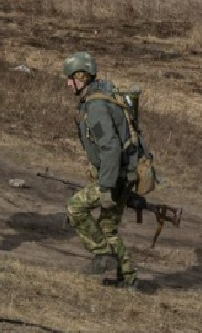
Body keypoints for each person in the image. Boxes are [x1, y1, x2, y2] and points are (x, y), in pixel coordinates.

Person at [62, 51, 139, 290]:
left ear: (81, 76)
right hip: (124, 174)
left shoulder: (95, 106)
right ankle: (129, 279)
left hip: (115, 178)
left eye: (70, 78)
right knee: (108, 228)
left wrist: (105, 188)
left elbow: (110, 147)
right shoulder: (104, 96)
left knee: (75, 208)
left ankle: (101, 254)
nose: (67, 83)